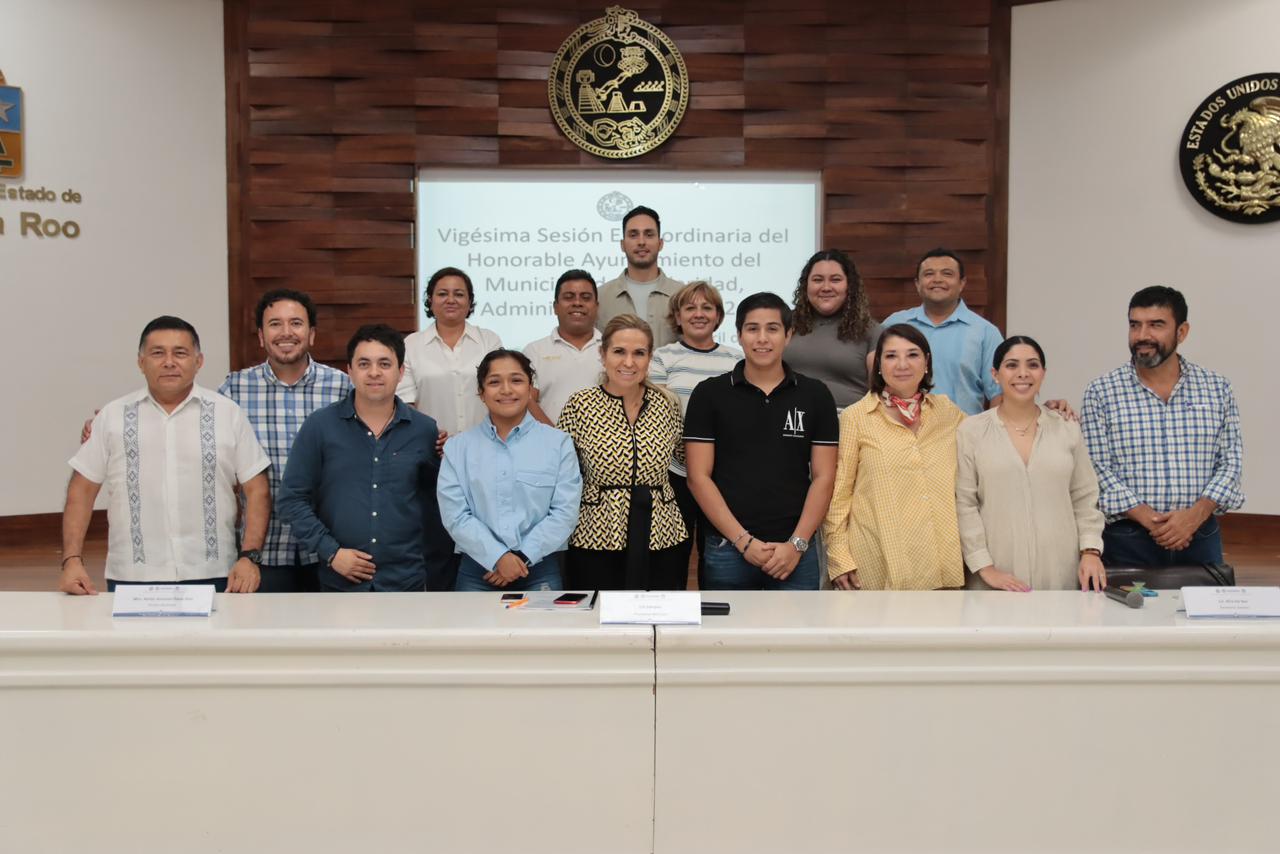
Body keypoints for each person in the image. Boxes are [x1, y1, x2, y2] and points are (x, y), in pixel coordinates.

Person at [60, 316, 271, 595]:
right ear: (141, 362)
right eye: (158, 353)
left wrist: (249, 556)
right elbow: (82, 490)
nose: (169, 362)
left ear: (199, 361)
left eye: (180, 353)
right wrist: (71, 560)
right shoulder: (113, 417)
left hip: (215, 573)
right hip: (132, 575)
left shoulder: (227, 413)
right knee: (133, 641)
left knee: (211, 640)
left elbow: (257, 490)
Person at [277, 324, 453, 592]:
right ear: (349, 370)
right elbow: (291, 500)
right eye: (363, 363)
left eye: (384, 363)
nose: (374, 372)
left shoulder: (424, 429)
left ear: (401, 371)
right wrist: (332, 552)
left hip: (407, 583)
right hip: (340, 582)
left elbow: (435, 503)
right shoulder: (320, 426)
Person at [1081, 286, 1244, 568]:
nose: (1143, 335)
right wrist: (1153, 521)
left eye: (1156, 325)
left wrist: (1193, 517)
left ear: (1182, 332)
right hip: (1127, 539)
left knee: (1203, 614)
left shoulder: (1217, 388)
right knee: (1120, 614)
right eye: (1135, 325)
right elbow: (1096, 468)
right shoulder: (1101, 392)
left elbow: (1231, 462)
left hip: (1200, 535)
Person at [684, 292, 838, 591]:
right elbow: (697, 477)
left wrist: (796, 544)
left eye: (773, 328)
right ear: (739, 335)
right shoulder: (709, 394)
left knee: (796, 637)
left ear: (788, 335)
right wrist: (743, 542)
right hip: (727, 548)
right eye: (753, 329)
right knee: (725, 639)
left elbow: (824, 476)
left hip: (795, 551)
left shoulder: (815, 395)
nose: (762, 338)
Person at [216, 289, 352, 592]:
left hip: (330, 549)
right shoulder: (234, 389)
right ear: (261, 336)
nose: (286, 332)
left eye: (296, 323)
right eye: (275, 324)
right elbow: (196, 432)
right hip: (263, 549)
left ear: (312, 334)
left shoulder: (342, 387)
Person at [956, 336, 1107, 592]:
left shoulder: (1067, 428)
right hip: (995, 571)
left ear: (1043, 374)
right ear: (995, 374)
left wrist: (1091, 550)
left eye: (1033, 365)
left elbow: (1085, 497)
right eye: (1012, 365)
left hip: (1060, 569)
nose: (1023, 374)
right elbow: (965, 504)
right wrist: (985, 567)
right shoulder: (971, 431)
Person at [824, 323, 966, 591]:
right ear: (878, 365)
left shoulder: (948, 412)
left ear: (927, 363)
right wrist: (839, 558)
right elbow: (839, 495)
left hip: (940, 562)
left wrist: (1050, 409)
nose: (902, 364)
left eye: (912, 354)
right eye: (891, 356)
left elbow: (995, 431)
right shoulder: (856, 417)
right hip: (877, 562)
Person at [557, 314, 689, 590]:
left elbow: (686, 459)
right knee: (598, 622)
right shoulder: (580, 405)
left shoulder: (667, 404)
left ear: (649, 358)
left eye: (639, 353)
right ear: (602, 354)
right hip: (596, 534)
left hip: (662, 533)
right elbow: (561, 475)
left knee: (660, 622)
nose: (629, 362)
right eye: (619, 352)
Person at [437, 349, 582, 592]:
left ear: (530, 388)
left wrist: (522, 558)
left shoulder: (559, 444)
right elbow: (455, 515)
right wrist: (498, 557)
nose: (506, 390)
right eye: (494, 382)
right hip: (477, 571)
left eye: (516, 380)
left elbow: (565, 512)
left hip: (540, 568)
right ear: (481, 393)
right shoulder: (458, 448)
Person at [649, 281, 742, 584]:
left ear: (718, 316)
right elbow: (660, 416)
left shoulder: (737, 360)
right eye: (690, 308)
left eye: (707, 307)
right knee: (674, 554)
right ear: (677, 317)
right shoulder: (662, 358)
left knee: (718, 556)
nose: (698, 314)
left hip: (725, 474)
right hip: (675, 474)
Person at [883, 248, 1003, 415]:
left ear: (962, 283)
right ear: (917, 284)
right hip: (900, 433)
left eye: (947, 274)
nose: (937, 280)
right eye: (929, 274)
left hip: (962, 435)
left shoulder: (985, 332)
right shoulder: (894, 324)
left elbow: (999, 393)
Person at [397, 266, 503, 437]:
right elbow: (405, 402)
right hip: (430, 446)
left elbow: (501, 395)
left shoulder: (489, 341)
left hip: (485, 445)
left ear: (470, 303)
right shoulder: (411, 344)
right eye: (442, 294)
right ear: (430, 301)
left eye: (459, 294)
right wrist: (432, 434)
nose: (451, 300)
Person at [785, 249, 884, 410]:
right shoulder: (785, 324)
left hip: (849, 421)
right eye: (817, 280)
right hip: (790, 418)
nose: (826, 287)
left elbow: (880, 393)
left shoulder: (872, 331)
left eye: (835, 280)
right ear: (806, 286)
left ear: (849, 286)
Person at [597, 205, 684, 349]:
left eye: (649, 234)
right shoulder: (601, 297)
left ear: (660, 243)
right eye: (633, 235)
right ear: (622, 244)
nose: (641, 242)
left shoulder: (681, 295)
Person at [524, 269, 602, 424]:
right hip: (549, 444)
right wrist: (556, 439)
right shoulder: (534, 351)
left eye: (585, 298)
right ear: (555, 307)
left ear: (596, 306)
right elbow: (527, 401)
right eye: (568, 297)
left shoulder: (614, 349)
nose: (577, 303)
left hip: (606, 445)